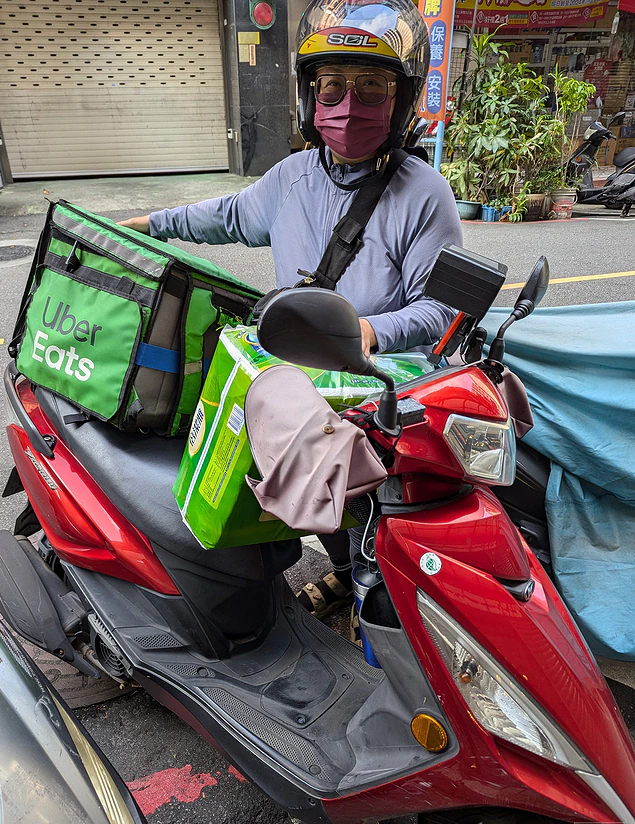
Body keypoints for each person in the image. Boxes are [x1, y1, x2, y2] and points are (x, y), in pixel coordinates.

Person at [119, 0, 462, 613]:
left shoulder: (426, 195)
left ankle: (374, 597)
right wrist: (154, 224)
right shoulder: (292, 177)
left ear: (403, 99)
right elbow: (224, 216)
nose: (349, 106)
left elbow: (441, 311)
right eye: (333, 86)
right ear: (310, 96)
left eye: (372, 88)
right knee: (276, 472)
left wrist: (368, 333)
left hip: (376, 384)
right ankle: (340, 566)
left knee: (370, 506)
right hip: (297, 378)